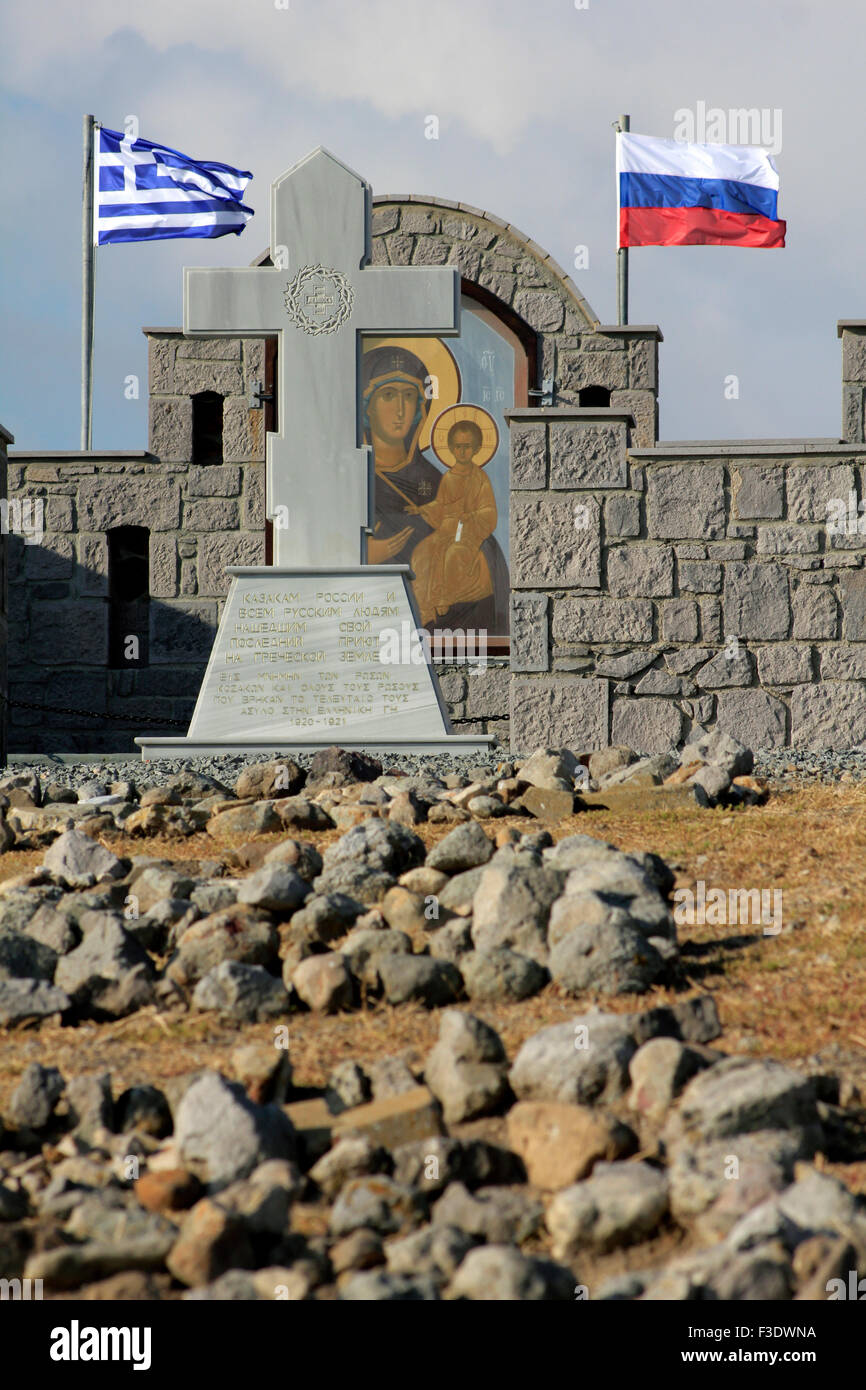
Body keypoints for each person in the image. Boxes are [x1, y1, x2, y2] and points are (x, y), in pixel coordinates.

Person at [406, 420, 497, 626]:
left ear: (476, 448)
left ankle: (444, 600)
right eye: (458, 446)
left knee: (453, 555)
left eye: (467, 447)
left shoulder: (480, 478)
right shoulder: (448, 477)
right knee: (422, 553)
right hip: (446, 529)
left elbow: (489, 510)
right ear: (451, 448)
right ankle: (425, 609)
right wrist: (422, 509)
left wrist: (472, 516)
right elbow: (441, 504)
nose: (462, 451)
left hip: (467, 532)